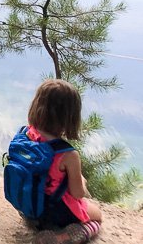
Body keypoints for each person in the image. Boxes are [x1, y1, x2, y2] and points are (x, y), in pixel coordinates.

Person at [27, 80, 102, 244]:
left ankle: (37, 223)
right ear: (71, 117)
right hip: (54, 211)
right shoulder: (68, 154)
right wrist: (82, 180)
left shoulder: (27, 135)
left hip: (28, 204)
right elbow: (77, 193)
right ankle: (62, 237)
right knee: (97, 216)